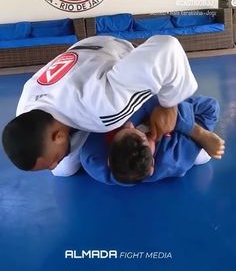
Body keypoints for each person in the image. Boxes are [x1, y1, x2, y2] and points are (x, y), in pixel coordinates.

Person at [2, 35, 197, 173]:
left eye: (51, 162)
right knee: (63, 170)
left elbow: (167, 47)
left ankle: (192, 139)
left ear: (59, 136)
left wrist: (169, 104)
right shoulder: (26, 109)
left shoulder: (105, 105)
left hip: (113, 51)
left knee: (200, 156)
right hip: (83, 56)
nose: (52, 165)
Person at [78, 95, 225, 185]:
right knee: (202, 157)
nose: (129, 124)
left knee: (64, 170)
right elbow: (210, 107)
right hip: (184, 154)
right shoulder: (177, 155)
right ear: (152, 166)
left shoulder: (93, 160)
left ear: (108, 160)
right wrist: (195, 131)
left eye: (123, 130)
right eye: (144, 136)